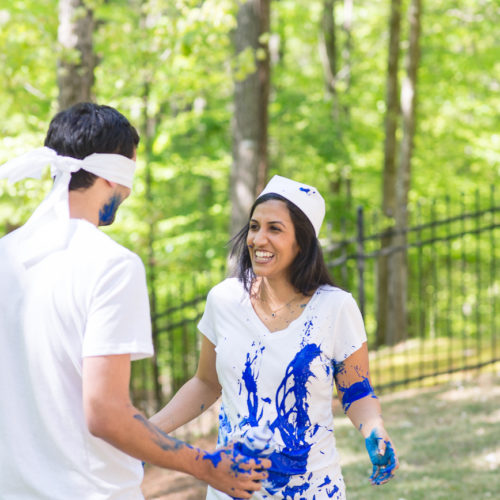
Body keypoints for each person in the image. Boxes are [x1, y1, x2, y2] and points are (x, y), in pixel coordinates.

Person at [0, 102, 269, 500]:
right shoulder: (111, 265)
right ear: (115, 172)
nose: (128, 191)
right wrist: (207, 466)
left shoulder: (7, 255)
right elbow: (106, 415)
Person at [150, 175, 399, 499]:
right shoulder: (224, 300)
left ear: (302, 243)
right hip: (232, 490)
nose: (258, 239)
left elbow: (356, 390)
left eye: (275, 229)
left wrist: (374, 429)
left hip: (313, 489)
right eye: (254, 227)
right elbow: (206, 383)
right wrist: (146, 431)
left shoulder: (335, 306)